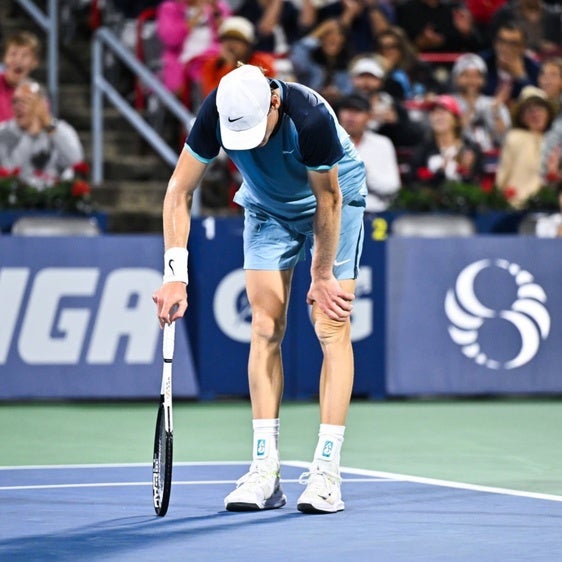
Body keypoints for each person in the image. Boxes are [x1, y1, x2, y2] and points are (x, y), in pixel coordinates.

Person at [152, 64, 367, 514]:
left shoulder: (309, 117)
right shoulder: (218, 109)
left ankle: (327, 472)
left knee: (330, 323)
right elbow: (178, 191)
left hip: (333, 201)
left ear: (273, 102)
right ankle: (265, 471)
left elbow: (327, 200)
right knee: (265, 326)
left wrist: (322, 273)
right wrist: (175, 272)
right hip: (267, 209)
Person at [0, 79, 84, 185]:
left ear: (42, 105)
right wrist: (30, 135)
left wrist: (48, 125)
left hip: (54, 196)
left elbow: (76, 162)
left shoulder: (61, 130)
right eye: (15, 101)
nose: (18, 107)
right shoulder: (3, 133)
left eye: (26, 101)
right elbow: (10, 173)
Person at [336, 92, 400, 212]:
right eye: (346, 110)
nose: (350, 116)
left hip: (375, 212)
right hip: (337, 214)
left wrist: (364, 172)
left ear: (369, 117)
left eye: (357, 111)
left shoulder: (382, 144)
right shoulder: (327, 143)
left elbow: (393, 187)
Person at [496, 85, 555, 207]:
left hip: (552, 207)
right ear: (521, 117)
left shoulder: (556, 140)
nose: (534, 114)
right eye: (528, 110)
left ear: (548, 113)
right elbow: (503, 174)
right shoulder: (514, 137)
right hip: (517, 205)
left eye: (539, 108)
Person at [408, 94, 484, 188]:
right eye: (434, 112)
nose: (438, 117)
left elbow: (478, 187)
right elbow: (413, 185)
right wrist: (439, 174)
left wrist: (467, 172)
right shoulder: (423, 151)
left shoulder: (471, 150)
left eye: (443, 112)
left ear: (455, 120)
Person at [199, 16, 276, 98]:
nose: (231, 44)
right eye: (226, 39)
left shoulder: (262, 63)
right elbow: (212, 97)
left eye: (237, 39)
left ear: (248, 45)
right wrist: (228, 66)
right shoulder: (211, 65)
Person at [451, 52, 511, 152]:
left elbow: (505, 137)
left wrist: (496, 112)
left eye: (476, 76)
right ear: (456, 78)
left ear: (483, 79)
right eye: (466, 75)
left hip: (492, 156)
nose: (471, 80)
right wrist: (470, 109)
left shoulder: (493, 103)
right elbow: (450, 136)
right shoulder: (449, 103)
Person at [479, 21, 540, 104]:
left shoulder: (534, 68)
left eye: (513, 43)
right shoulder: (482, 63)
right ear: (494, 43)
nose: (506, 47)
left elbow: (537, 102)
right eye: (502, 41)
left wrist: (521, 76)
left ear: (523, 47)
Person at [0, 31, 41, 123]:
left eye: (24, 55)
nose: (18, 60)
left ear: (35, 62)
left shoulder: (38, 95)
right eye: (13, 54)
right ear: (4, 58)